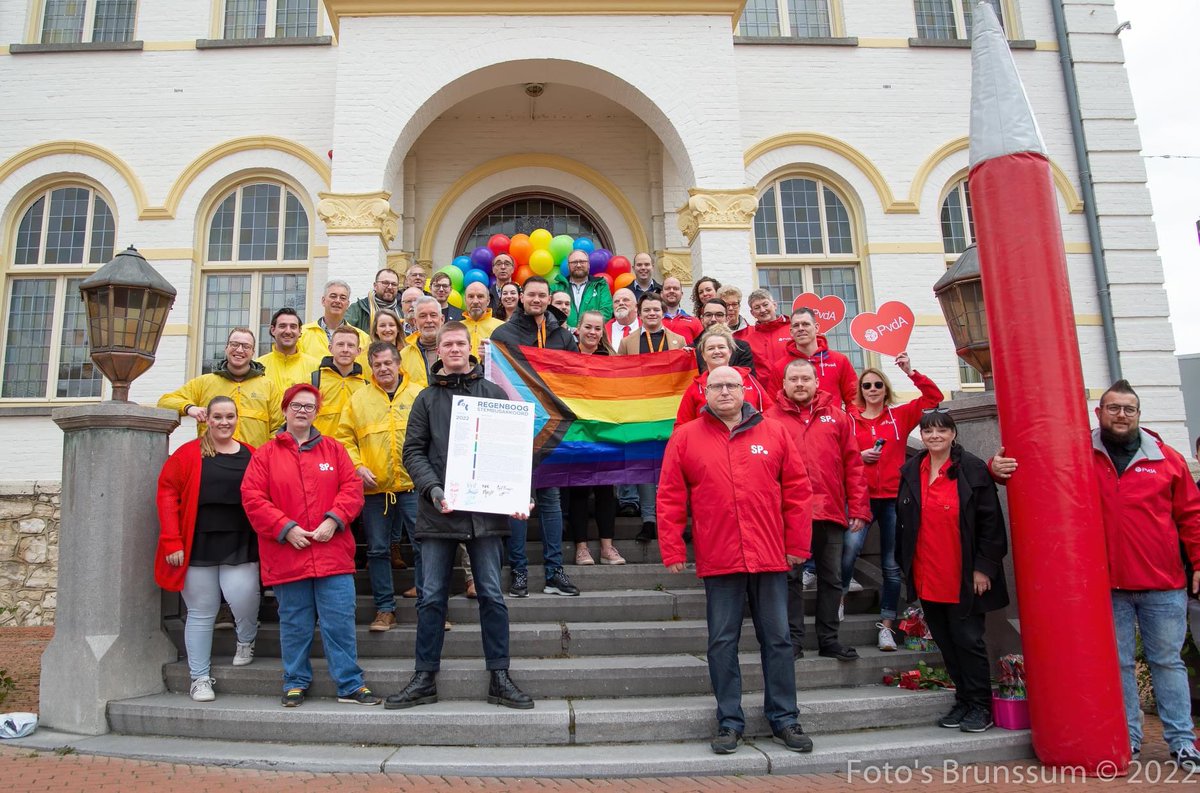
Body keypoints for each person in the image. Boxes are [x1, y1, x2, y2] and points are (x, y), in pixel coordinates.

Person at [992, 380, 1200, 766]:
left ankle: (1182, 741)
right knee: (1118, 665)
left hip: (1162, 584)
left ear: (1139, 415)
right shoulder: (1075, 454)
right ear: (1099, 413)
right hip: (1106, 586)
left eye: (1129, 409)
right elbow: (1031, 462)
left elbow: (1191, 515)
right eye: (1114, 408)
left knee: (1167, 663)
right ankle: (1129, 739)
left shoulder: (1166, 459)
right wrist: (997, 468)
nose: (1121, 415)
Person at [658, 365, 814, 755]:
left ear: (744, 390)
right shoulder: (685, 437)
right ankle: (729, 722)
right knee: (721, 642)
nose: (725, 391)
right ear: (705, 392)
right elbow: (670, 495)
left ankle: (785, 718)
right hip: (720, 556)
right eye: (717, 386)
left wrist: (798, 544)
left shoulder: (774, 431)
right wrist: (673, 547)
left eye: (732, 385)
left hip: (770, 555)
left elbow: (797, 491)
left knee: (777, 640)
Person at [388, 322, 534, 711]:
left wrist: (521, 495)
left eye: (460, 343)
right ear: (438, 352)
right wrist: (433, 490)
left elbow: (513, 451)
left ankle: (500, 677)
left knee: (492, 595)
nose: (454, 349)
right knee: (432, 596)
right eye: (447, 344)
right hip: (439, 513)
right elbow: (413, 453)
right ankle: (424, 677)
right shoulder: (425, 399)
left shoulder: (493, 393)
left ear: (470, 349)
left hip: (484, 516)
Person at [240, 383, 379, 708]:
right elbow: (252, 497)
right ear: (285, 409)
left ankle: (350, 684)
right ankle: (295, 681)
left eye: (309, 407)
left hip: (332, 555)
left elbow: (352, 488)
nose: (302, 411)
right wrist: (285, 529)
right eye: (297, 405)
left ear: (316, 413)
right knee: (294, 623)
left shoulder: (334, 450)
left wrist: (334, 519)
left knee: (340, 621)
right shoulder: (265, 455)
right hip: (289, 555)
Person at [896, 409, 1008, 734]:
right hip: (926, 572)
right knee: (945, 641)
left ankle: (981, 705)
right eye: (928, 431)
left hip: (962, 575)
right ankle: (963, 699)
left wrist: (984, 568)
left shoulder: (971, 469)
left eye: (941, 431)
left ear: (953, 434)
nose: (934, 437)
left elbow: (991, 523)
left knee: (968, 640)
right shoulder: (911, 470)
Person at [155, 396, 260, 702]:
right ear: (207, 420)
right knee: (201, 612)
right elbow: (166, 495)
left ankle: (246, 638)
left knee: (242, 596)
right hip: (196, 542)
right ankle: (199, 677)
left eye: (229, 416)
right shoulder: (187, 455)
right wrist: (172, 540)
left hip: (240, 540)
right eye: (217, 417)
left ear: (237, 419)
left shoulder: (251, 454)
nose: (224, 422)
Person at [766, 358, 870, 661]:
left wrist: (859, 507)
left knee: (832, 578)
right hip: (787, 515)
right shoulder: (768, 419)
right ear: (784, 384)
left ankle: (829, 639)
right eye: (794, 379)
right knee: (790, 579)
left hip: (830, 509)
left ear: (816, 382)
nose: (800, 384)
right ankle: (792, 642)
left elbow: (853, 464)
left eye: (805, 379)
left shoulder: (837, 417)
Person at [846, 352, 944, 651]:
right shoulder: (849, 419)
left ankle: (886, 626)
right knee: (847, 550)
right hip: (860, 496)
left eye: (877, 385)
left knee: (891, 565)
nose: (872, 390)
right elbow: (835, 454)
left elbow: (933, 398)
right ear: (860, 391)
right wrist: (859, 457)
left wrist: (910, 371)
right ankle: (836, 599)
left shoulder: (898, 416)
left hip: (892, 498)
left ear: (885, 389)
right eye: (867, 386)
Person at [489, 277, 579, 599]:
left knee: (552, 502)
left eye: (543, 295)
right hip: (516, 430)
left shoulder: (563, 336)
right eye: (532, 294)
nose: (537, 299)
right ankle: (519, 572)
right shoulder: (502, 335)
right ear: (520, 298)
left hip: (554, 429)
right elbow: (496, 385)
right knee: (518, 505)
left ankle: (555, 572)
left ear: (549, 299)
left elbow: (577, 379)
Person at [335, 342, 421, 633]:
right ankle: (385, 609)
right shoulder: (359, 399)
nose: (383, 368)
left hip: (412, 485)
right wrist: (357, 466)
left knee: (425, 544)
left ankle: (430, 603)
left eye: (388, 363)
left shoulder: (418, 394)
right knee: (377, 550)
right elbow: (344, 439)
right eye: (377, 364)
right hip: (374, 490)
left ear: (398, 364)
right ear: (371, 367)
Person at [618, 292, 690, 543]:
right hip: (640, 412)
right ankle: (649, 520)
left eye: (656, 310)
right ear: (639, 313)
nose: (652, 314)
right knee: (645, 469)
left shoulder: (679, 341)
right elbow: (619, 376)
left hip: (668, 412)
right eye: (647, 310)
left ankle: (672, 520)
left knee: (670, 468)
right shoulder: (628, 343)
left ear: (663, 313)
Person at [158, 327, 283, 448]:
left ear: (252, 352)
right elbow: (165, 402)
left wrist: (267, 456)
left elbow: (278, 427)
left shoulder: (268, 386)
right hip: (211, 459)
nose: (239, 350)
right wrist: (189, 408)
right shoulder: (204, 382)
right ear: (226, 348)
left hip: (253, 463)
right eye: (234, 344)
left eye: (246, 346)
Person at [569, 310, 625, 566]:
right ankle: (581, 548)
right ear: (577, 329)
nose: (593, 332)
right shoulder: (565, 357)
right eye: (588, 327)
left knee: (606, 490)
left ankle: (607, 547)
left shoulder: (611, 360)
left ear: (603, 332)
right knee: (579, 491)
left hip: (604, 433)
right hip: (577, 432)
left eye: (597, 329)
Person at [676, 326, 771, 426]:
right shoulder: (695, 389)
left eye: (721, 347)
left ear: (730, 352)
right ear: (703, 355)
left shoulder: (749, 380)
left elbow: (769, 413)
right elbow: (681, 426)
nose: (717, 351)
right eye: (710, 348)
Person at [767, 308, 857, 408]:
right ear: (791, 332)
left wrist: (850, 422)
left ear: (816, 327)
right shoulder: (780, 366)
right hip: (794, 422)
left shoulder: (839, 361)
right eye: (796, 325)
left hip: (832, 422)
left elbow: (854, 399)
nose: (801, 328)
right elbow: (773, 405)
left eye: (805, 324)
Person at [297, 280, 371, 372]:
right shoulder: (303, 334)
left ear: (347, 304)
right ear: (323, 301)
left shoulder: (363, 338)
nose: (337, 301)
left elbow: (366, 372)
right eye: (333, 296)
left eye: (342, 298)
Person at [311, 326, 369, 437]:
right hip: (320, 450)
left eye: (351, 345)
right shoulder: (314, 380)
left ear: (358, 351)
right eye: (340, 344)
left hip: (352, 452)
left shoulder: (365, 386)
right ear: (330, 348)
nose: (345, 350)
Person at [257, 307, 320, 393]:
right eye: (282, 326)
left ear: (300, 331)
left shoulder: (315, 367)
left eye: (293, 327)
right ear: (273, 330)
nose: (288, 331)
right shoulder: (258, 367)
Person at [734, 289, 792, 378]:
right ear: (752, 313)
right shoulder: (748, 341)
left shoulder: (793, 331)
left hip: (793, 386)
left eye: (765, 305)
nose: (762, 310)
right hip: (763, 390)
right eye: (757, 308)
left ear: (775, 305)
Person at [551, 248, 613, 327]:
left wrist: (585, 328)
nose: (578, 265)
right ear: (568, 266)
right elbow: (551, 312)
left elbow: (606, 311)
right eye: (574, 262)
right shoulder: (556, 287)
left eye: (582, 262)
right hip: (563, 335)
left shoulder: (600, 286)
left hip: (592, 335)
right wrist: (570, 330)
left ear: (588, 265)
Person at [694, 300, 755, 374]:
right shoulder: (692, 350)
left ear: (727, 319)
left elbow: (747, 379)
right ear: (702, 319)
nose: (713, 319)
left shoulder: (742, 348)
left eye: (719, 315)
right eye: (708, 315)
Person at [400, 296, 444, 388]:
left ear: (442, 319)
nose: (428, 320)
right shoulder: (403, 356)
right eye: (423, 316)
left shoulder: (455, 351)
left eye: (433, 315)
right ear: (415, 322)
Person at [345, 267, 401, 334]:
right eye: (385, 283)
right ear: (375, 286)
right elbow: (345, 333)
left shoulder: (401, 312)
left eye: (394, 284)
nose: (390, 287)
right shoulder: (358, 309)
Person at [461, 281, 505, 357]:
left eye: (480, 296)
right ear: (465, 301)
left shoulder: (501, 327)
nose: (475, 301)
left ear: (488, 301)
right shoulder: (457, 328)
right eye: (471, 296)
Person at [660, 276, 703, 345]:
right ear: (661, 294)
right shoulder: (652, 320)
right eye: (668, 288)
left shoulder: (694, 322)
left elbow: (701, 348)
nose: (671, 291)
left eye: (675, 288)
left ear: (681, 294)